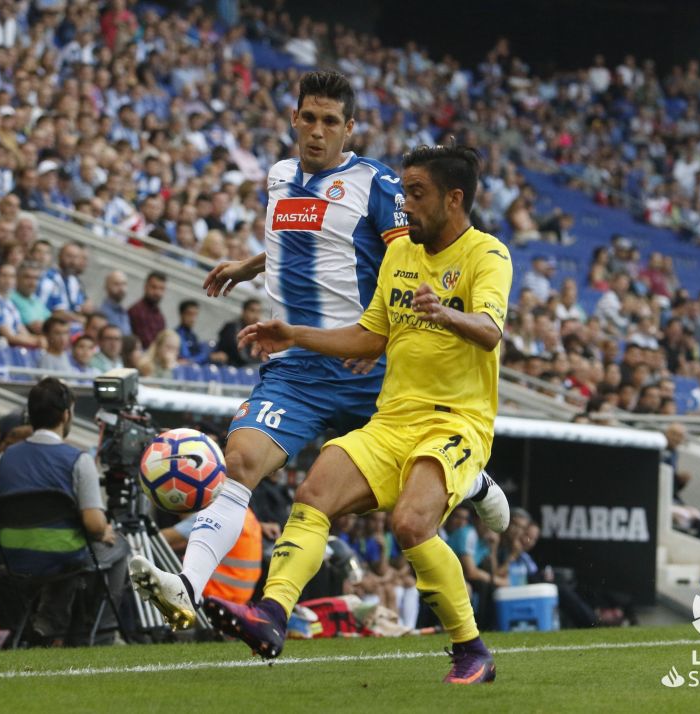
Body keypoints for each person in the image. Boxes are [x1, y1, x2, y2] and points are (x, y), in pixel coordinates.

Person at [129, 75, 509, 649]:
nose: (317, 130)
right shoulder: (280, 177)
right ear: (293, 119)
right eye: (309, 118)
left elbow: (415, 250)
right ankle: (187, 584)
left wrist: (383, 335)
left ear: (349, 128)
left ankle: (472, 480)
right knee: (242, 460)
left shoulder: (378, 183)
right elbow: (301, 239)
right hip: (299, 363)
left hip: (366, 368)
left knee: (407, 494)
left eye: (330, 121)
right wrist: (249, 265)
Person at [201, 145, 511, 684]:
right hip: (392, 420)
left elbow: (490, 330)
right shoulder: (400, 255)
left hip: (455, 421)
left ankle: (471, 649)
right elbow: (369, 337)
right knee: (314, 494)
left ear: (453, 199)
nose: (404, 206)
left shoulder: (488, 255)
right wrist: (294, 334)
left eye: (416, 194)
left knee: (411, 523)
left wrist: (445, 312)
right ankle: (272, 616)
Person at [0, 378, 130, 642]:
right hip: (63, 558)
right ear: (67, 414)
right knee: (119, 546)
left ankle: (37, 627)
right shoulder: (78, 460)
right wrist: (104, 532)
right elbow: (94, 525)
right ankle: (99, 634)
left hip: (15, 558)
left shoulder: (3, 460)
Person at [0, 264, 46, 348]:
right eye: (4, 276)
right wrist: (37, 341)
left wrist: (38, 339)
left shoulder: (10, 303)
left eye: (12, 276)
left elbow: (21, 330)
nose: (8, 280)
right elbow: (8, 337)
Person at [209, 298, 263, 367]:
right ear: (243, 312)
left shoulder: (260, 332)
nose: (256, 316)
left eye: (259, 312)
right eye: (252, 311)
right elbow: (239, 356)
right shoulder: (232, 328)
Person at [128, 270, 167, 349]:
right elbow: (147, 344)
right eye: (154, 287)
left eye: (161, 289)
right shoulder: (137, 311)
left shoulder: (159, 316)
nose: (157, 292)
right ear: (145, 287)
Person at [175, 300, 210, 365]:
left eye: (195, 314)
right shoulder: (176, 335)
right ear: (181, 314)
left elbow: (201, 355)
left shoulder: (194, 336)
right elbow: (185, 357)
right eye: (189, 314)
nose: (193, 318)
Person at [99, 270, 131, 335]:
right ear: (106, 287)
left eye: (124, 284)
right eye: (116, 284)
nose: (121, 288)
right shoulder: (102, 313)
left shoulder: (124, 312)